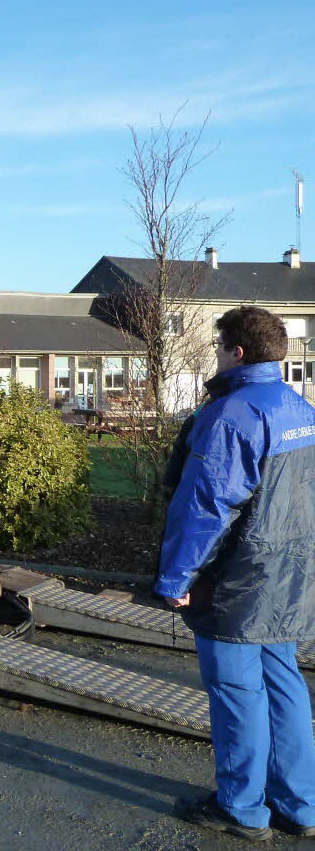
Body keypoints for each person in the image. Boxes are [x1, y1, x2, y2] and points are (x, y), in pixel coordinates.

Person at [157, 306, 315, 841]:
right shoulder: (300, 407)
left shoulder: (232, 414)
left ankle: (243, 808)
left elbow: (205, 506)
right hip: (288, 573)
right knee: (284, 682)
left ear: (236, 352)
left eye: (219, 346)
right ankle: (300, 805)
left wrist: (176, 580)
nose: (217, 355)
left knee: (236, 689)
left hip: (238, 579)